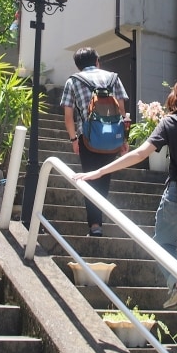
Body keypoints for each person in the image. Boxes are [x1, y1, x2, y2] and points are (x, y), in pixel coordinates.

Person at [73, 76, 177, 348]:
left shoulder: (171, 122)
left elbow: (141, 154)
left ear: (176, 97)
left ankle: (175, 282)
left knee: (161, 244)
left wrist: (99, 171)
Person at [60, 47, 129, 237]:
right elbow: (122, 110)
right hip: (112, 136)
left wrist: (74, 139)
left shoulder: (73, 80)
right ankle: (100, 218)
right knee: (104, 176)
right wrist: (124, 138)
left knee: (90, 179)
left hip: (88, 137)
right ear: (97, 61)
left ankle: (95, 225)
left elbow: (68, 116)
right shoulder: (113, 78)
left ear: (78, 65)